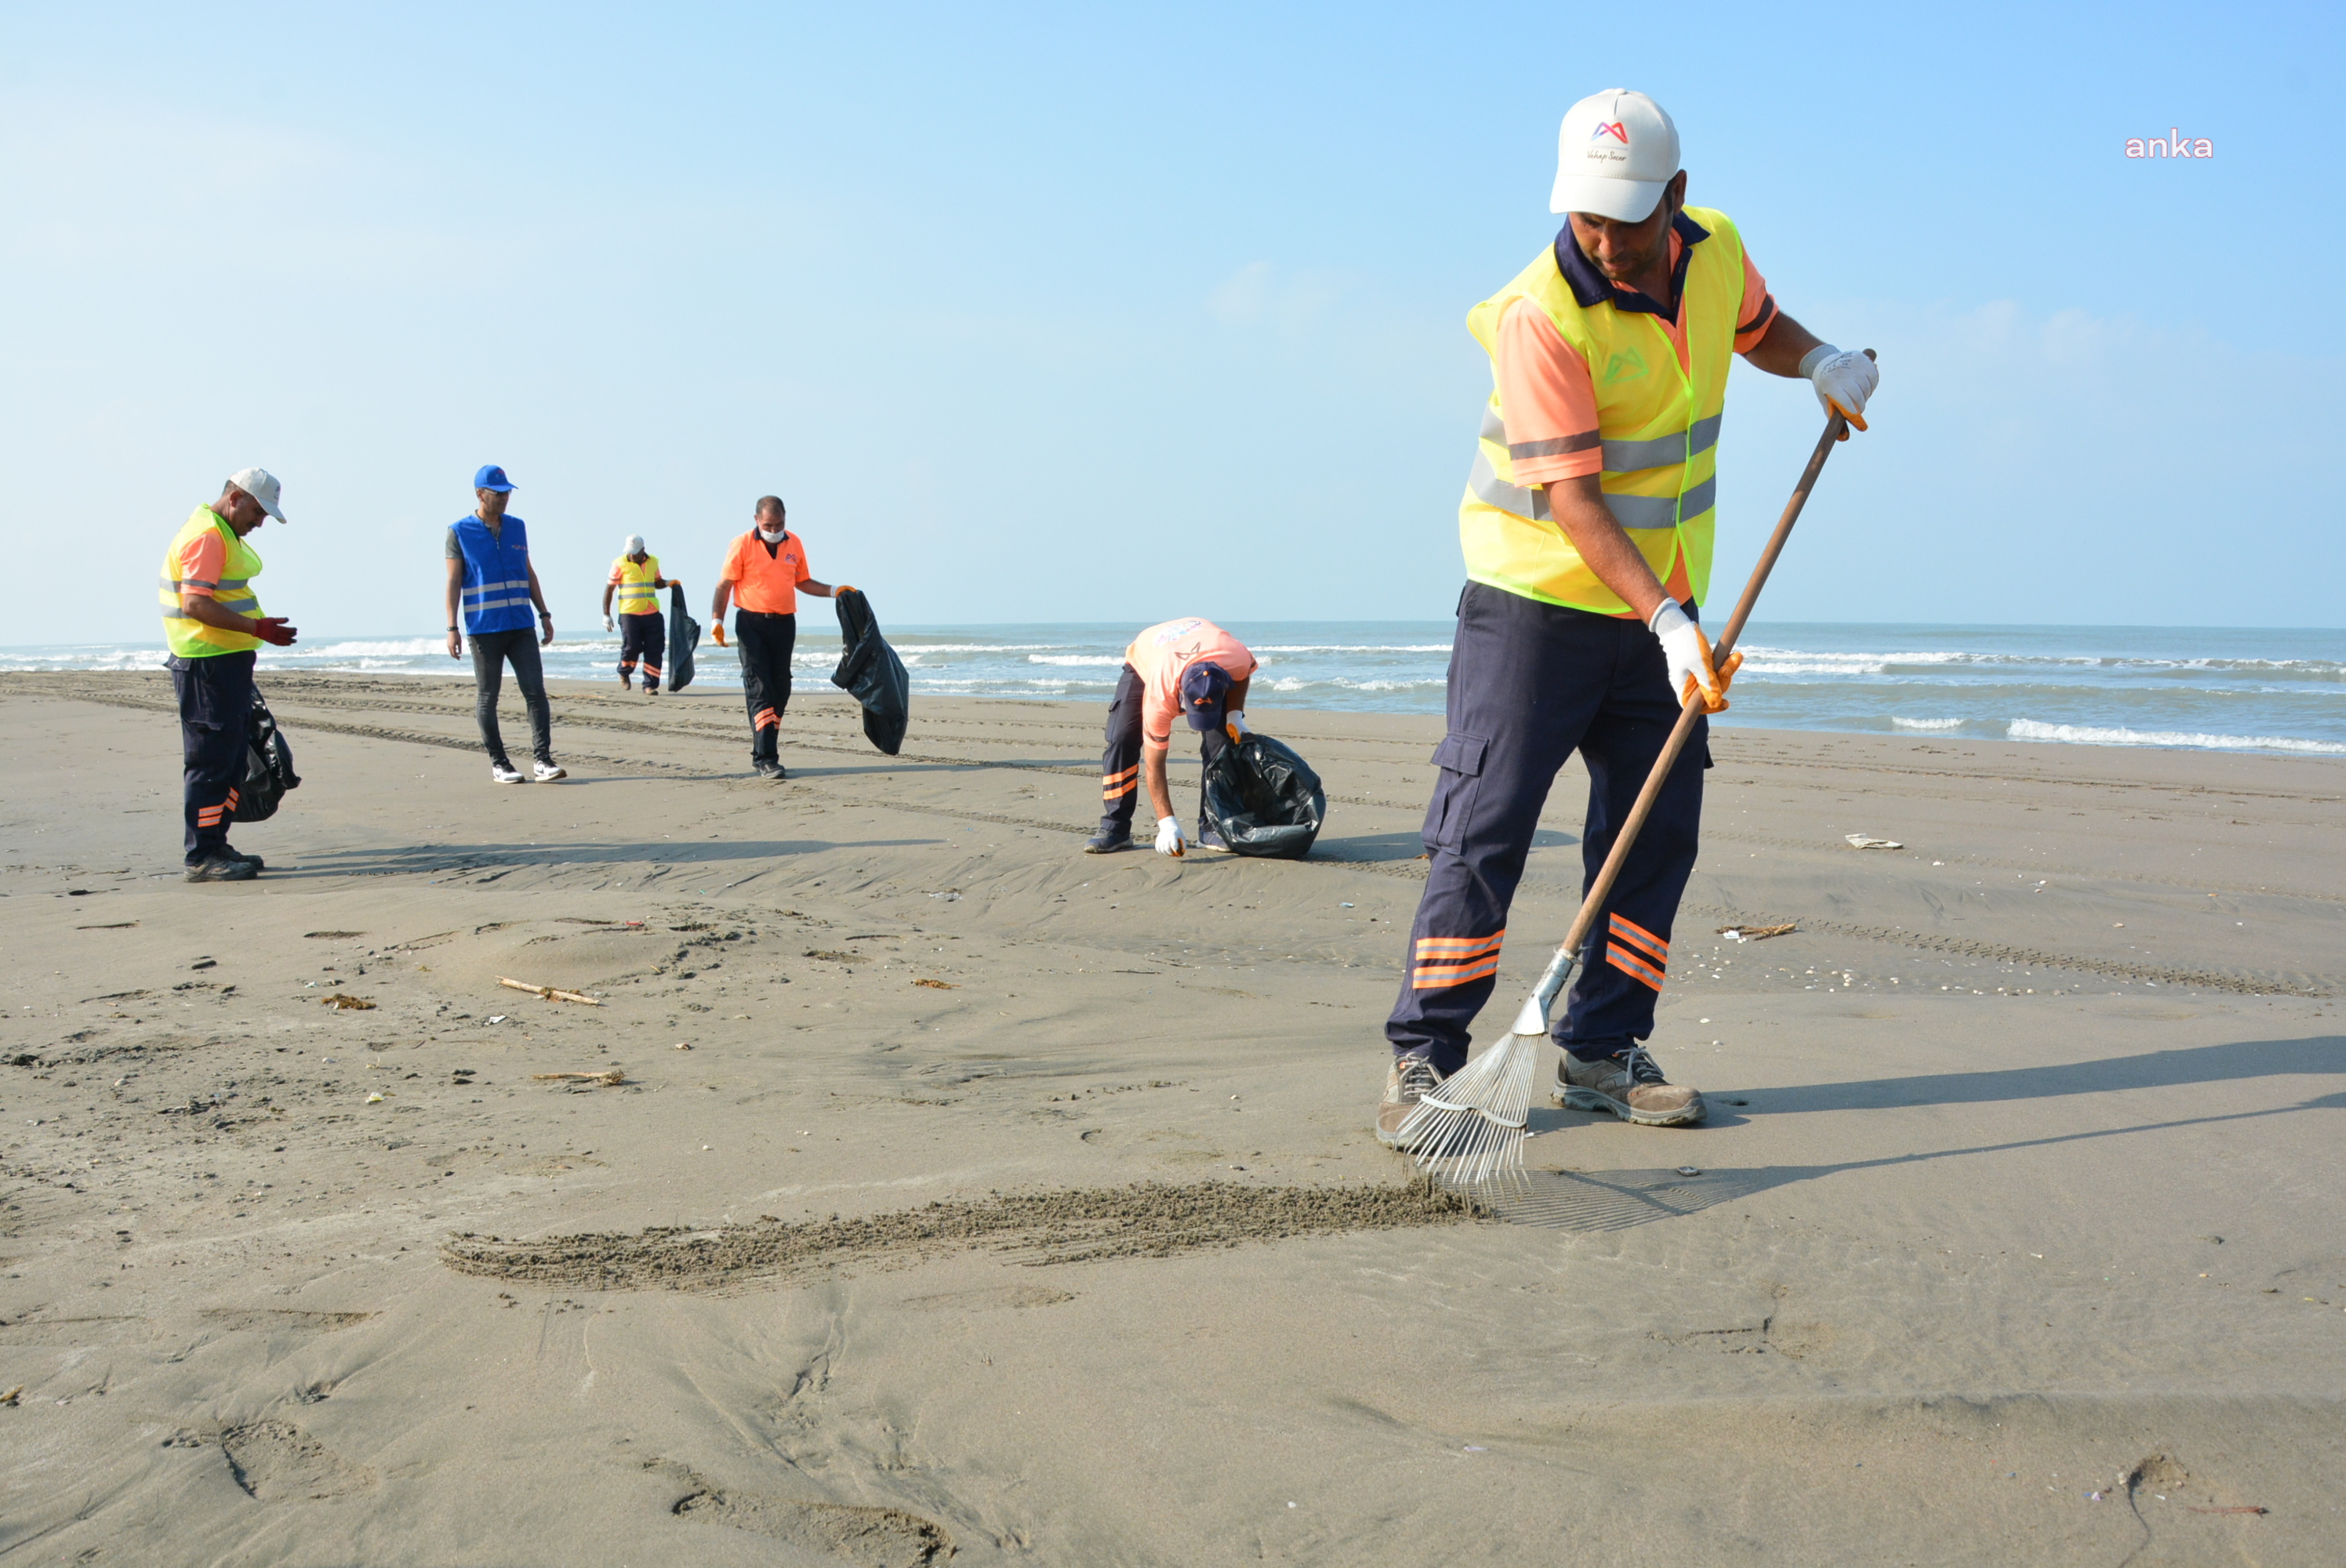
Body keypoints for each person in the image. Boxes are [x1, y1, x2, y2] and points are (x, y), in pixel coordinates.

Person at [1375, 89, 1878, 1145]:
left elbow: (1757, 329)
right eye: (1585, 216)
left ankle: (1603, 1051)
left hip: (1666, 609)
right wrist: (1665, 619)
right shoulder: (1540, 314)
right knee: (1485, 827)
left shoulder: (1719, 250)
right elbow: (1574, 498)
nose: (1600, 240)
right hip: (1535, 604)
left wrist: (1820, 359)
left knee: (1654, 831)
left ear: (1677, 199)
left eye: (1623, 218)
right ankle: (1425, 1058)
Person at [158, 469, 298, 882]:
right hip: (206, 664)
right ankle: (201, 855)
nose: (260, 522)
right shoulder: (208, 535)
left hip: (224, 660)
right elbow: (196, 605)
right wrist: (258, 629)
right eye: (257, 512)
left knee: (234, 759)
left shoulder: (221, 530)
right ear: (235, 497)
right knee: (211, 762)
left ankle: (215, 842)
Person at [1085, 618, 1257, 856]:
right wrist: (1167, 824)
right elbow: (1154, 764)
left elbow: (1243, 673)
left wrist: (1234, 716)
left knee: (1222, 744)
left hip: (1205, 646)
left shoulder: (1235, 657)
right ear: (1180, 695)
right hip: (1148, 657)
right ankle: (1115, 827)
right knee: (1122, 738)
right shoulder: (1161, 690)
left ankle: (1211, 827)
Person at [710, 496, 851, 779]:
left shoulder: (794, 543)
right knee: (760, 688)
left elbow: (802, 581)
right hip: (751, 623)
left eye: (779, 524)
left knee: (781, 689)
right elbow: (724, 585)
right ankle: (767, 759)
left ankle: (762, 751)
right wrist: (717, 621)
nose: (774, 529)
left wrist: (835, 590)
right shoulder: (741, 544)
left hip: (784, 624)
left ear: (786, 519)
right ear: (756, 521)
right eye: (768, 525)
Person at [444, 464, 566, 783]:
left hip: (522, 625)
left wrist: (544, 613)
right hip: (484, 629)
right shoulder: (459, 532)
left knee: (535, 692)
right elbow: (454, 582)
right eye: (497, 493)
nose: (503, 499)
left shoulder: (517, 527)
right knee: (488, 696)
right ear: (479, 494)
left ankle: (543, 760)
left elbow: (528, 572)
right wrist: (452, 628)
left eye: (507, 493)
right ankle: (500, 763)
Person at [601, 535, 678, 695]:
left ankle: (649, 685)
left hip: (652, 613)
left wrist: (668, 583)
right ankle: (624, 673)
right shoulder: (619, 563)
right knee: (632, 646)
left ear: (643, 550)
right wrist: (606, 614)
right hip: (629, 614)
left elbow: (657, 582)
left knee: (655, 649)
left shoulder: (653, 562)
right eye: (630, 552)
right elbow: (609, 590)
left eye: (635, 552)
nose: (632, 555)